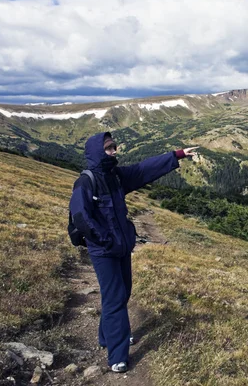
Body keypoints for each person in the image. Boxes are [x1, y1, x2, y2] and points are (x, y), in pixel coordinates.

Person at [69, 132, 198, 373]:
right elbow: (81, 217)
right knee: (115, 297)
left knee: (122, 292)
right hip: (104, 250)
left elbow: (142, 170)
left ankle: (107, 337)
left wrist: (177, 155)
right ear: (98, 152)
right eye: (109, 148)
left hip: (122, 246)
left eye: (114, 147)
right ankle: (117, 356)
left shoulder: (115, 176)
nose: (114, 151)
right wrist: (104, 240)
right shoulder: (86, 182)